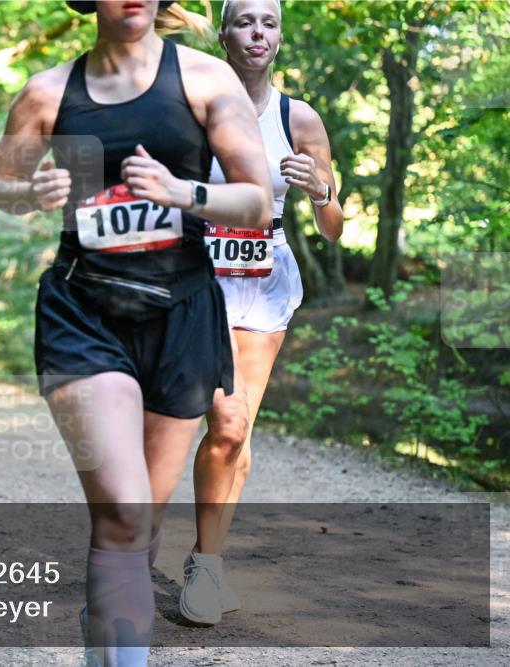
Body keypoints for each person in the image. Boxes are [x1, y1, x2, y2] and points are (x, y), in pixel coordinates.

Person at [0, 1, 272, 663]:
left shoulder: (204, 80)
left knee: (138, 529)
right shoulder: (49, 92)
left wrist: (183, 192)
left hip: (182, 311)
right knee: (122, 512)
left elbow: (256, 200)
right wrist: (29, 195)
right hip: (84, 312)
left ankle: (106, 634)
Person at [179, 0, 345, 626]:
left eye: (269, 23)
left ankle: (206, 558)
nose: (258, 33)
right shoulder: (189, 105)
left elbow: (333, 229)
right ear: (224, 33)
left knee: (238, 431)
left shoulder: (296, 117)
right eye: (245, 21)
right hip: (201, 272)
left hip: (265, 275)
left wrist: (321, 191)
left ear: (279, 36)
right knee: (225, 421)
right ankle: (206, 569)